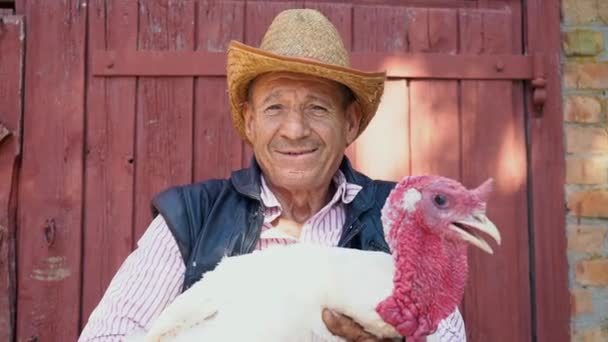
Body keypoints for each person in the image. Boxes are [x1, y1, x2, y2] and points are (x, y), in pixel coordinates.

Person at [79, 9, 466, 342]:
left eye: (317, 108)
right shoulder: (191, 218)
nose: (294, 129)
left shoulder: (399, 222)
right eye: (275, 107)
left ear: (350, 123)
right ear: (250, 122)